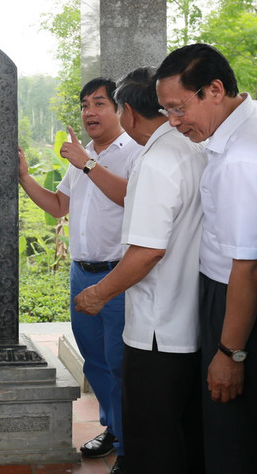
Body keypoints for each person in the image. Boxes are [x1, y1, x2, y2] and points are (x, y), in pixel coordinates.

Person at [155, 44, 257, 474]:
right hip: (241, 294)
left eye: (179, 109)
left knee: (233, 434)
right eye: (166, 112)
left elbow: (250, 266)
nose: (175, 123)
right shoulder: (254, 121)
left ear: (214, 90)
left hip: (238, 301)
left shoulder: (244, 158)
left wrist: (230, 353)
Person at [75, 67, 207, 474]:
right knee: (178, 428)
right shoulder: (193, 148)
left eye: (104, 104)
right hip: (187, 314)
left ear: (128, 112)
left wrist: (99, 293)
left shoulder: (154, 160)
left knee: (152, 432)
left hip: (156, 326)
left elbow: (148, 251)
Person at [18, 77, 142, 474]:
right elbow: (58, 207)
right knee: (96, 362)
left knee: (121, 362)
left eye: (99, 103)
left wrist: (87, 164)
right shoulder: (84, 154)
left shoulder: (135, 152)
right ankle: (112, 428)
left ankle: (131, 448)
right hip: (82, 273)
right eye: (85, 104)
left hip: (119, 276)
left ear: (119, 109)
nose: (90, 112)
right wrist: (24, 177)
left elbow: (129, 197)